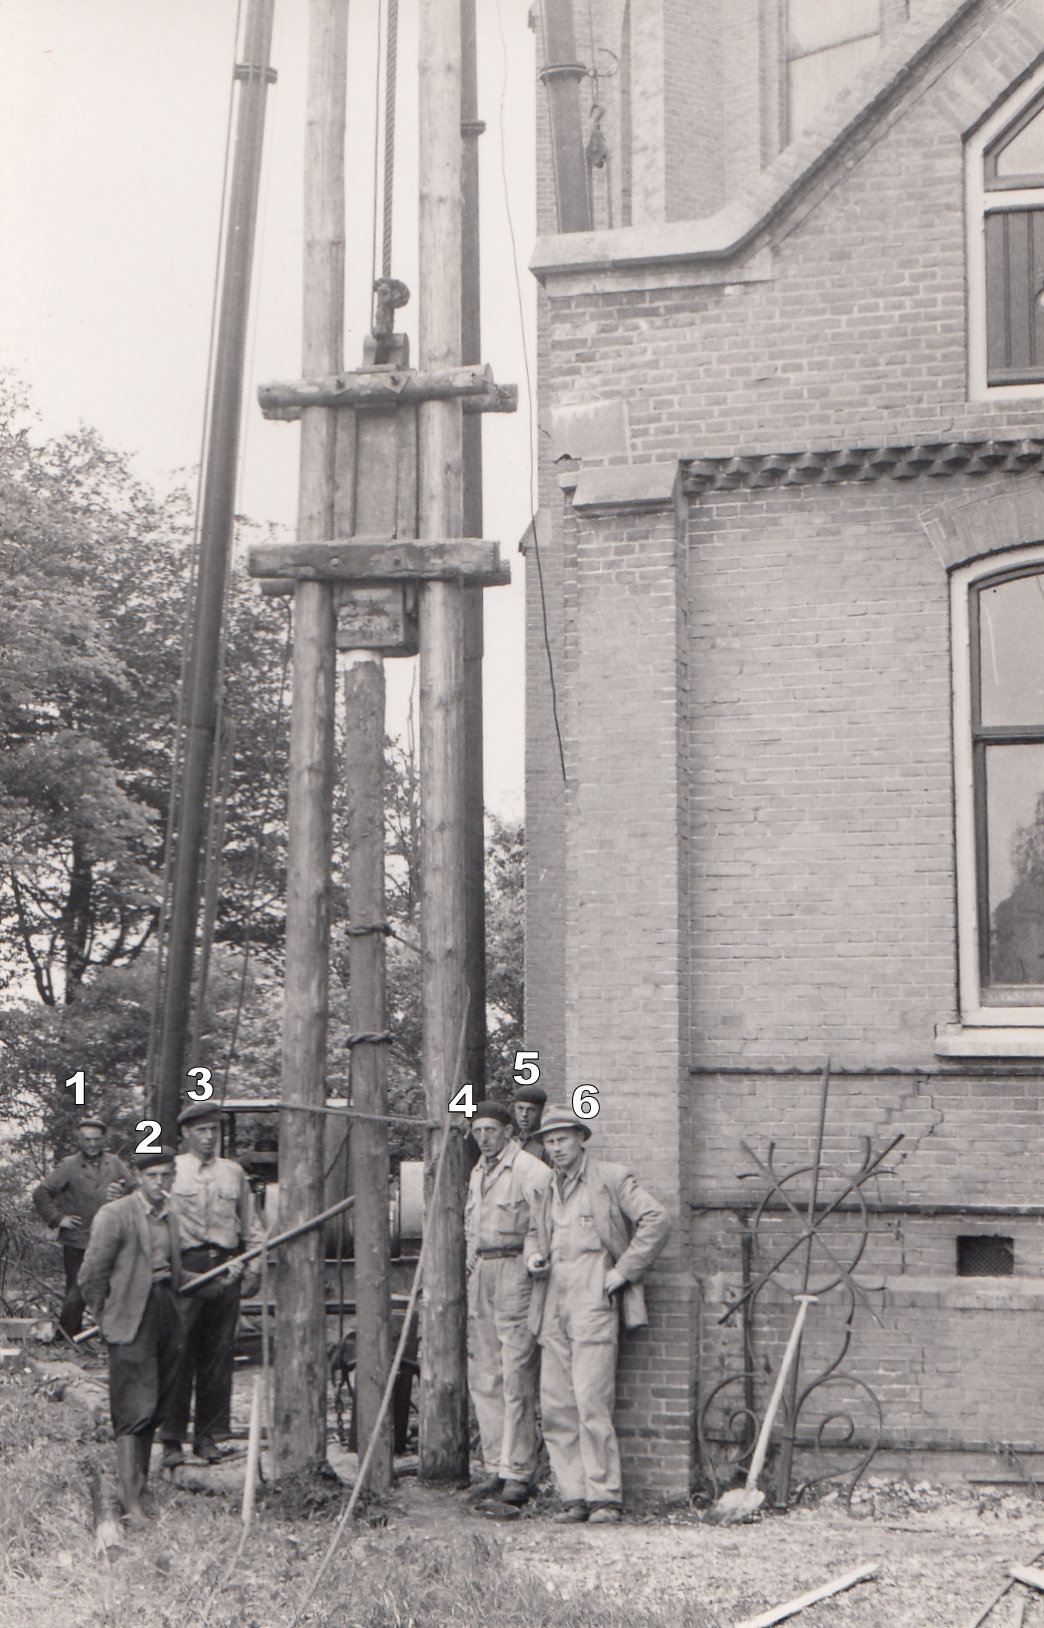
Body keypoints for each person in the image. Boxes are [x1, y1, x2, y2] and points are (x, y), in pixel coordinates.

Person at [526, 1104, 671, 1525]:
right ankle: (573, 1496)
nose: (556, 1147)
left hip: (593, 1298)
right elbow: (533, 1232)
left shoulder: (610, 1177)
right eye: (549, 1141)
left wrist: (623, 1271)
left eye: (562, 1139)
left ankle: (604, 1497)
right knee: (557, 1404)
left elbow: (657, 1219)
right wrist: (533, 1255)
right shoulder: (546, 1186)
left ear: (580, 1139)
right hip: (552, 1299)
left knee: (591, 1400)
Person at [77, 1145, 184, 1528]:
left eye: (166, 1175)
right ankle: (128, 1495)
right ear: (139, 1177)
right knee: (132, 1403)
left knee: (157, 1400)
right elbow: (92, 1274)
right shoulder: (116, 1214)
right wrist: (105, 1315)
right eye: (152, 1175)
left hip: (165, 1309)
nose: (159, 1182)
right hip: (129, 1316)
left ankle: (141, 1484)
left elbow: (174, 1270)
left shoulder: (171, 1215)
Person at [160, 1101, 264, 1467]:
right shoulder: (172, 1171)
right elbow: (154, 1220)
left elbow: (251, 1226)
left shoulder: (233, 1173)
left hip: (226, 1268)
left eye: (213, 1131)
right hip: (185, 1270)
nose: (209, 1138)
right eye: (201, 1131)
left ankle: (209, 1437)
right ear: (186, 1134)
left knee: (219, 1354)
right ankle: (172, 1439)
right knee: (178, 1353)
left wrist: (253, 1268)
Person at [464, 1100, 552, 1517]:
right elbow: (471, 1227)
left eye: (491, 1131)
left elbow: (546, 1223)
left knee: (516, 1371)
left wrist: (538, 1263)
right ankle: (495, 1466)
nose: (484, 1138)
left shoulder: (531, 1170)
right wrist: (470, 1264)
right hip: (483, 1270)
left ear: (508, 1133)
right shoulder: (478, 1172)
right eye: (478, 1131)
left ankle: (519, 1471)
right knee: (485, 1373)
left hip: (516, 1270)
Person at [32, 1117, 133, 1338]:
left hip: (111, 1237)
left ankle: (111, 1333)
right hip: (78, 1238)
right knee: (76, 1288)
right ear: (79, 1141)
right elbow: (41, 1193)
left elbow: (136, 1190)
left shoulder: (115, 1163)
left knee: (114, 1284)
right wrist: (58, 1219)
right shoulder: (69, 1165)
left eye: (96, 1139)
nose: (92, 1144)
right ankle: (69, 1335)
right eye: (87, 1139)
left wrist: (124, 1195)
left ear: (104, 1139)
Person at [513, 1083, 551, 1164]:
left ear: (541, 1112)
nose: (524, 1114)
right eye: (520, 1108)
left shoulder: (547, 1145)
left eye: (530, 1110)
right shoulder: (511, 1143)